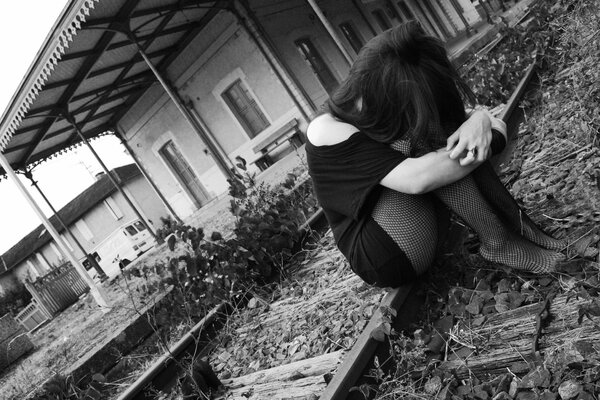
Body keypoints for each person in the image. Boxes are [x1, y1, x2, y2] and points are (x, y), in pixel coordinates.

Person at [305, 22, 566, 288]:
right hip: (385, 252)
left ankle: (518, 228)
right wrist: (480, 136)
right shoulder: (326, 128)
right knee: (424, 137)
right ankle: (499, 242)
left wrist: (478, 122)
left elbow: (488, 125)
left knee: (439, 127)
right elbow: (419, 178)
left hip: (426, 226)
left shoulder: (390, 106)